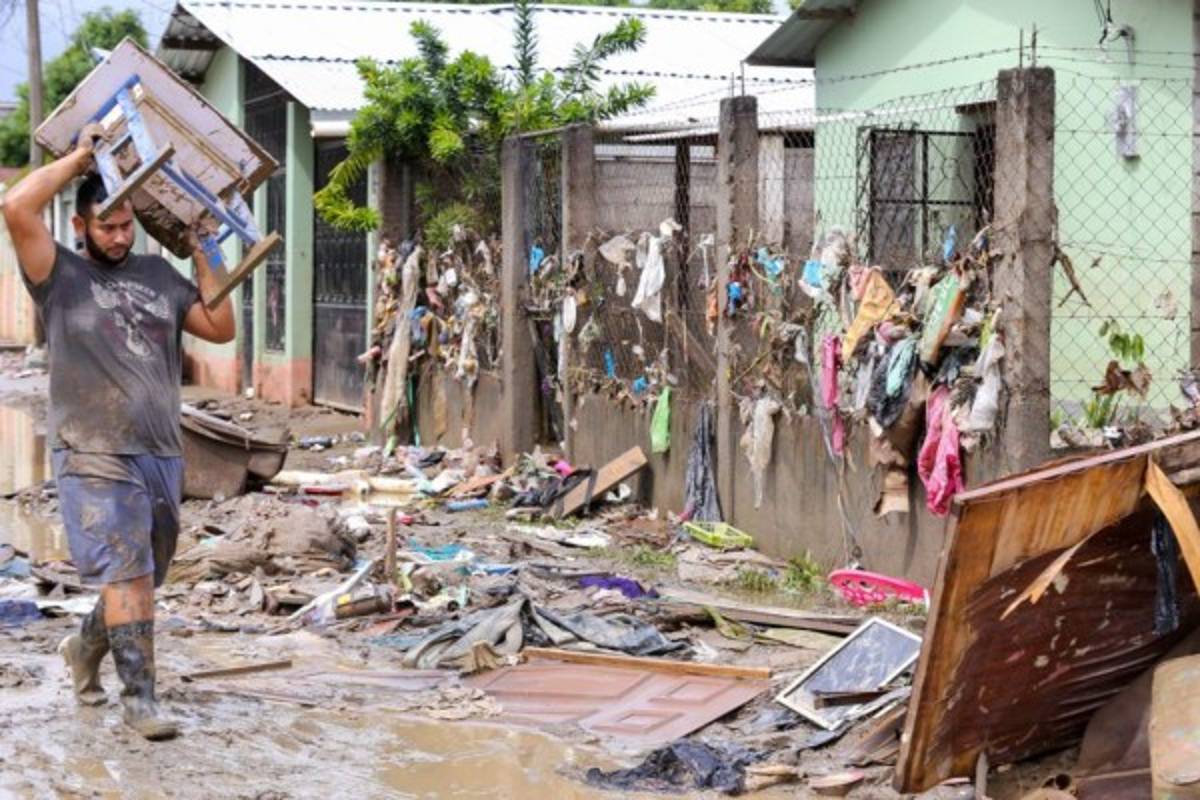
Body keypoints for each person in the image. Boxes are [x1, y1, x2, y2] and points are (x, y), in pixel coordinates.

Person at [1, 126, 236, 740]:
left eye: (126, 223)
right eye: (106, 224)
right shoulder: (58, 274)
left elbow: (220, 326)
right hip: (91, 448)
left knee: (138, 576)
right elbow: (15, 205)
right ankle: (142, 699)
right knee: (127, 570)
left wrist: (205, 246)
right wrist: (79, 157)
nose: (120, 234)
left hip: (159, 451)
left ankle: (84, 648)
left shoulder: (160, 275)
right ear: (80, 227)